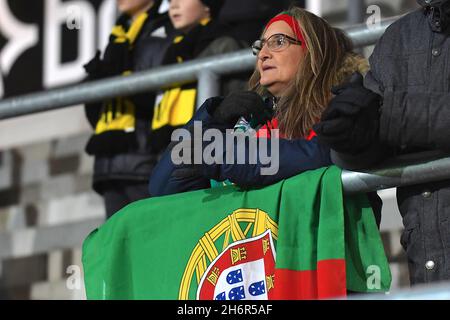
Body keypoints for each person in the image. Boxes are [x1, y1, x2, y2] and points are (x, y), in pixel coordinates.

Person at [149, 7, 382, 226]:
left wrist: (225, 156)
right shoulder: (247, 119)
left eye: (278, 42)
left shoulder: (342, 103)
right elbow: (162, 188)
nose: (263, 55)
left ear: (313, 52)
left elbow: (322, 156)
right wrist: (212, 117)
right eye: (260, 46)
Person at [313, 0, 450, 285]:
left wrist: (387, 118)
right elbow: (363, 154)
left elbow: (385, 119)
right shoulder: (398, 36)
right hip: (426, 265)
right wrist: (350, 134)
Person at [83, 0, 175, 219]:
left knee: (147, 244)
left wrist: (120, 84)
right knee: (119, 249)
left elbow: (162, 97)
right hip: (110, 163)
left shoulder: (167, 27)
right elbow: (95, 112)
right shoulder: (119, 34)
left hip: (145, 161)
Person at [149, 0, 247, 156]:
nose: (173, 5)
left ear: (207, 5)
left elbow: (237, 110)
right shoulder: (172, 52)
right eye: (170, 1)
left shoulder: (224, 46)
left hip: (209, 156)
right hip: (170, 154)